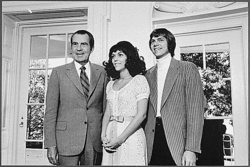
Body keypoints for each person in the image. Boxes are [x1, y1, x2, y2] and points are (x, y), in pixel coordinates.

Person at [44, 30, 108, 166]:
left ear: (92, 48)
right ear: (71, 47)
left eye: (84, 44)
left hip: (94, 141)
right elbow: (50, 112)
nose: (79, 48)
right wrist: (51, 144)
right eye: (75, 44)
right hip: (65, 141)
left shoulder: (103, 72)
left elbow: (106, 109)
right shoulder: (58, 72)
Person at [143, 28, 204, 166]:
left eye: (160, 39)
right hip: (151, 141)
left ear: (169, 43)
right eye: (152, 41)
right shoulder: (147, 75)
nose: (155, 43)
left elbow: (195, 111)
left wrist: (191, 149)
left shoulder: (187, 68)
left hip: (178, 141)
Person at [101, 41, 150, 165]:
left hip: (131, 135)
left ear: (129, 58)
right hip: (110, 135)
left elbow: (141, 114)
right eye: (113, 56)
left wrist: (120, 139)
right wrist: (103, 135)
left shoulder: (139, 80)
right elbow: (107, 112)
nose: (115, 59)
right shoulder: (110, 84)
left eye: (120, 55)